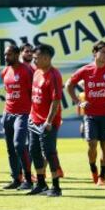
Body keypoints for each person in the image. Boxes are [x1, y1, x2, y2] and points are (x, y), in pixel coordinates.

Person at [66, 41, 105, 186]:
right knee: (92, 144)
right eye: (103, 52)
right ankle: (93, 169)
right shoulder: (85, 70)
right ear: (95, 53)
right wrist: (79, 102)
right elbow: (69, 84)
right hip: (90, 115)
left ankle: (102, 177)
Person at [27, 44, 63, 197]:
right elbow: (35, 97)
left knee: (49, 152)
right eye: (34, 57)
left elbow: (55, 101)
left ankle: (56, 187)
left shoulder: (54, 75)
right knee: (33, 151)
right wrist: (30, 115)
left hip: (47, 123)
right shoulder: (36, 72)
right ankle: (41, 184)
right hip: (34, 120)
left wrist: (48, 121)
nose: (34, 60)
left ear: (47, 58)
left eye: (37, 58)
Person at [1, 45, 33, 190]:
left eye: (9, 55)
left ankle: (28, 179)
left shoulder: (27, 71)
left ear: (17, 54)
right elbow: (7, 91)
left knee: (19, 145)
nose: (6, 57)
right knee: (10, 149)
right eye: (5, 54)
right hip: (8, 114)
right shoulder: (5, 71)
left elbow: (33, 93)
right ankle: (16, 178)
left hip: (23, 113)